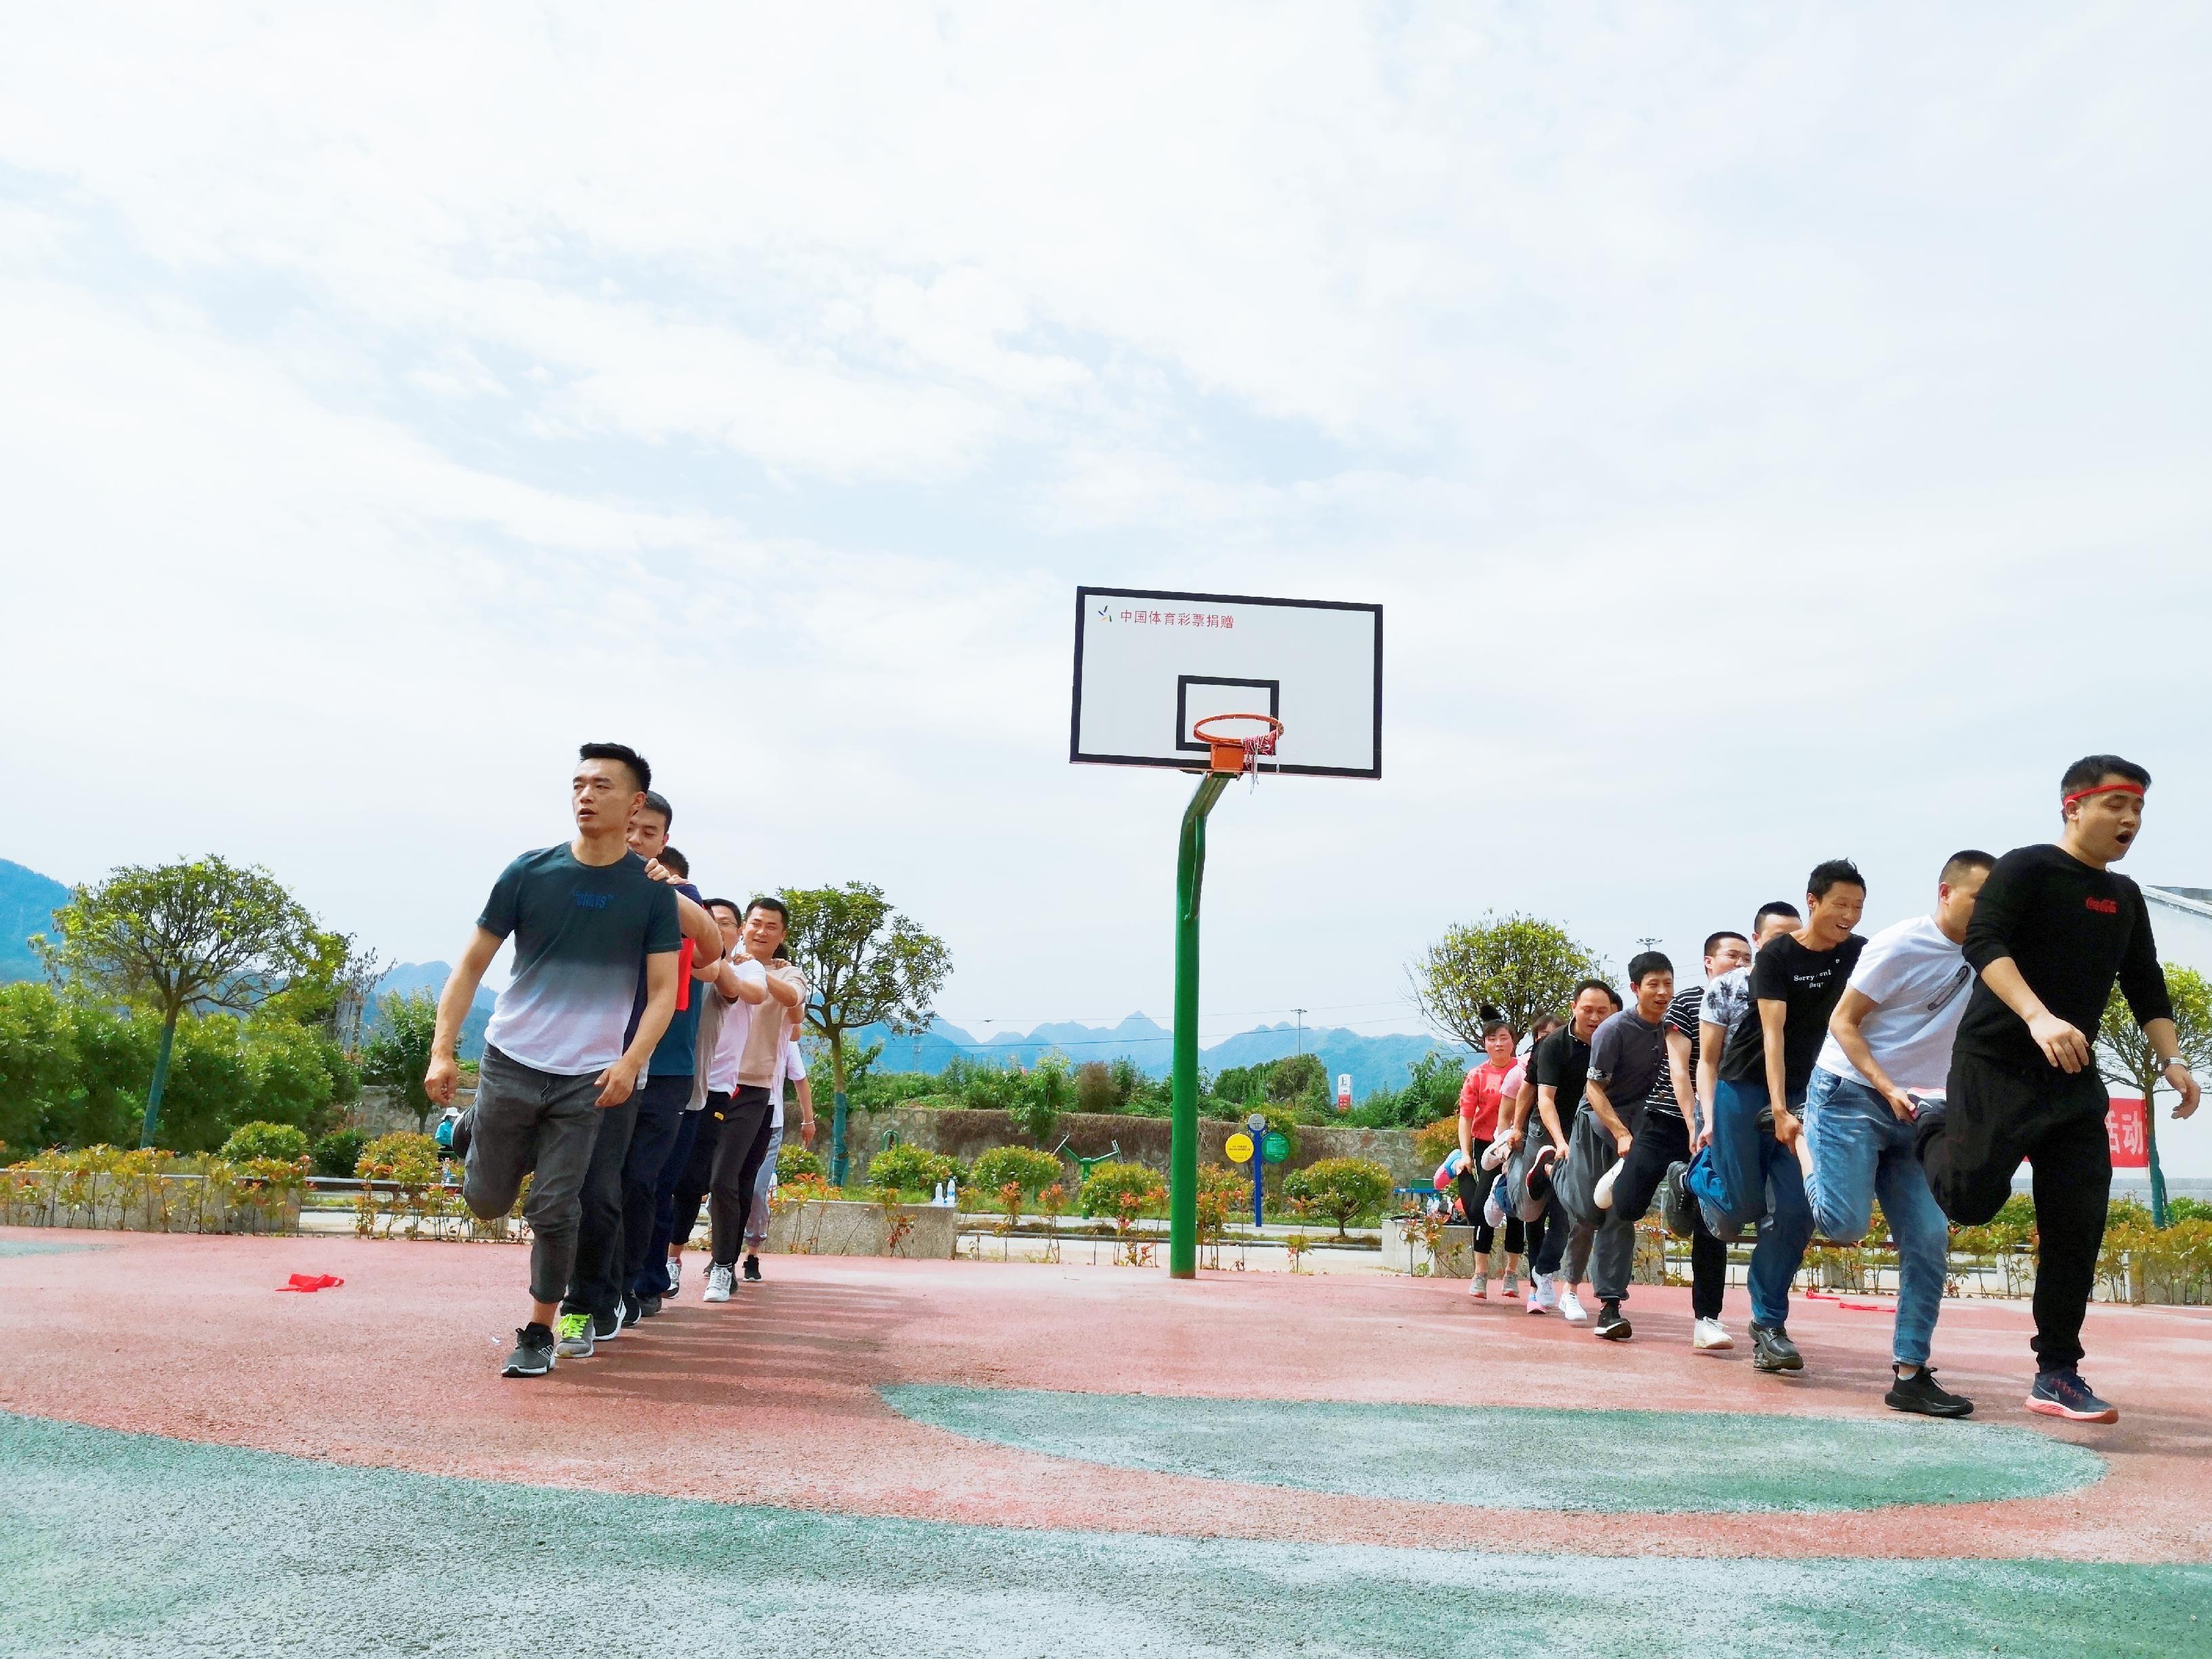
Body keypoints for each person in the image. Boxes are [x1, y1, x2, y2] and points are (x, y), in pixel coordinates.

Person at [1916, 757, 2200, 1425]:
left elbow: (2144, 983)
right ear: (2073, 806)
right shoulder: (2027, 867)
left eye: (2138, 807)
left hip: (2072, 1081)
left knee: (2076, 1222)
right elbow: (1982, 941)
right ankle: (1928, 1125)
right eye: (2116, 803)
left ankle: (2056, 1371)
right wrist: (2037, 1015)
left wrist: (2173, 1060)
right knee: (1971, 1201)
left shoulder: (2123, 897)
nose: (2129, 819)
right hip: (1996, 1064)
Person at [424, 742, 682, 1379]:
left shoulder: (650, 894)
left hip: (586, 1079)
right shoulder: (528, 872)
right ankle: (471, 1129)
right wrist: (442, 1048)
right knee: (487, 1203)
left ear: (635, 802)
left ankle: (538, 1329)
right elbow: (472, 963)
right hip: (511, 1058)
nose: (585, 795)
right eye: (577, 784)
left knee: (558, 1207)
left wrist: (630, 1061)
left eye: (601, 784)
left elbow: (660, 995)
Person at [1792, 850, 1995, 1419]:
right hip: (1850, 1093)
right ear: (1946, 892)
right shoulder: (1899, 944)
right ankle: (1799, 1142)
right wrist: (1886, 1086)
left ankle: (1910, 1374)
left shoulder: (1990, 955)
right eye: (1980, 896)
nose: (1989, 909)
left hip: (1921, 1113)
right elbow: (1842, 1021)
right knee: (1844, 1223)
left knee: (1929, 1236)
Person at [556, 796, 724, 1358]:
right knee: (587, 1188)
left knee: (630, 1184)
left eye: (647, 833)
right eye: (629, 830)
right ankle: (591, 1294)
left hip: (655, 1069)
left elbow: (711, 951)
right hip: (576, 1059)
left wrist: (666, 892)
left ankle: (609, 1292)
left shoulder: (675, 895)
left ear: (662, 840)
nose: (635, 840)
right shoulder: (575, 884)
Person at [1686, 865, 1865, 1376]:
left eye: (1857, 908)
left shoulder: (1857, 952)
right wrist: (1772, 1108)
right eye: (1840, 905)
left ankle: (1768, 1323)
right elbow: (1771, 1035)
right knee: (1740, 1205)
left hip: (1808, 1091)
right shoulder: (1775, 959)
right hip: (1745, 1087)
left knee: (1794, 1210)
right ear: (1814, 902)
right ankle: (1696, 1177)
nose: (1849, 917)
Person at [1613, 929, 1752, 1352]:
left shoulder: (1758, 1005)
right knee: (1628, 1205)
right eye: (1732, 955)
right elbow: (1680, 1068)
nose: (1741, 962)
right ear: (1709, 961)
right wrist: (1694, 1123)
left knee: (1715, 1220)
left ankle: (1707, 1320)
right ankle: (1634, 1176)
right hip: (1666, 1119)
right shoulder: (1690, 1001)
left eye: (1748, 956)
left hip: (1722, 1127)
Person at [1564, 952, 1675, 1341]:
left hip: (1644, 1129)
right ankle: (1552, 1171)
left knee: (1618, 1211)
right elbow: (1593, 1088)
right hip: (1597, 1122)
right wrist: (1620, 1132)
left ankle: (1610, 1307)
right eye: (1653, 984)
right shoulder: (1613, 1029)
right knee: (1587, 1210)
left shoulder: (1676, 1028)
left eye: (1668, 983)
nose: (1663, 992)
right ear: (1635, 989)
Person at [703, 898, 806, 1303]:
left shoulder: (787, 972)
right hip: (708, 1083)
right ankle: (672, 1262)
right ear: (744, 926)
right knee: (710, 1179)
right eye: (756, 923)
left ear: (781, 937)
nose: (762, 931)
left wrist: (756, 973)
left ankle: (723, 1267)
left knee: (728, 1179)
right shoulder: (720, 959)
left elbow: (793, 1001)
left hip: (754, 1089)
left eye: (771, 927)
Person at [1511, 981, 1616, 1320]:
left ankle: (1543, 1276)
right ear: (1574, 1007)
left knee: (1567, 1209)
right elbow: (1540, 1096)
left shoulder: (1614, 1043)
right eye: (1588, 1010)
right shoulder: (1553, 1046)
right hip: (1547, 1129)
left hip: (1585, 1134)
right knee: (1529, 1212)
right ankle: (1506, 1191)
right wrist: (1532, 1133)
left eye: (1603, 1011)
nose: (1595, 1017)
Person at [741, 950, 816, 1279]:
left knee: (756, 1190)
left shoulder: (787, 1035)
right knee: (723, 1185)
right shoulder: (737, 1014)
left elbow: (796, 1024)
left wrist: (808, 1120)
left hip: (769, 1120)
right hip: (731, 1111)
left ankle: (752, 1252)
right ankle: (723, 1252)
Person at [1453, 1007, 1524, 1299]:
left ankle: (1511, 1274)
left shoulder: (1524, 1071)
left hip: (1517, 1145)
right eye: (1492, 1039)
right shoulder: (1477, 1076)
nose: (1498, 1044)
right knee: (1480, 1209)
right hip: (1486, 1147)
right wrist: (1466, 1153)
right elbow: (1466, 1117)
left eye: (1504, 1038)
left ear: (1513, 1041)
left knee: (1516, 1207)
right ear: (1485, 1044)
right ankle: (1480, 1273)